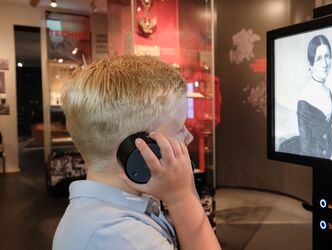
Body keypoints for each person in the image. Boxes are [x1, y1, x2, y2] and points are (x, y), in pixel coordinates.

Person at [53, 55, 221, 250]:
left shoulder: (111, 214)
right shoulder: (119, 235)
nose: (189, 137)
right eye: (179, 128)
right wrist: (182, 198)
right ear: (140, 149)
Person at [279, 34, 332, 163]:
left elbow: (329, 131)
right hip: (313, 154)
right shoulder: (305, 99)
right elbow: (306, 148)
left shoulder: (327, 90)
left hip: (330, 150)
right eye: (319, 59)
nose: (325, 63)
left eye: (327, 56)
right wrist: (328, 157)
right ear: (311, 64)